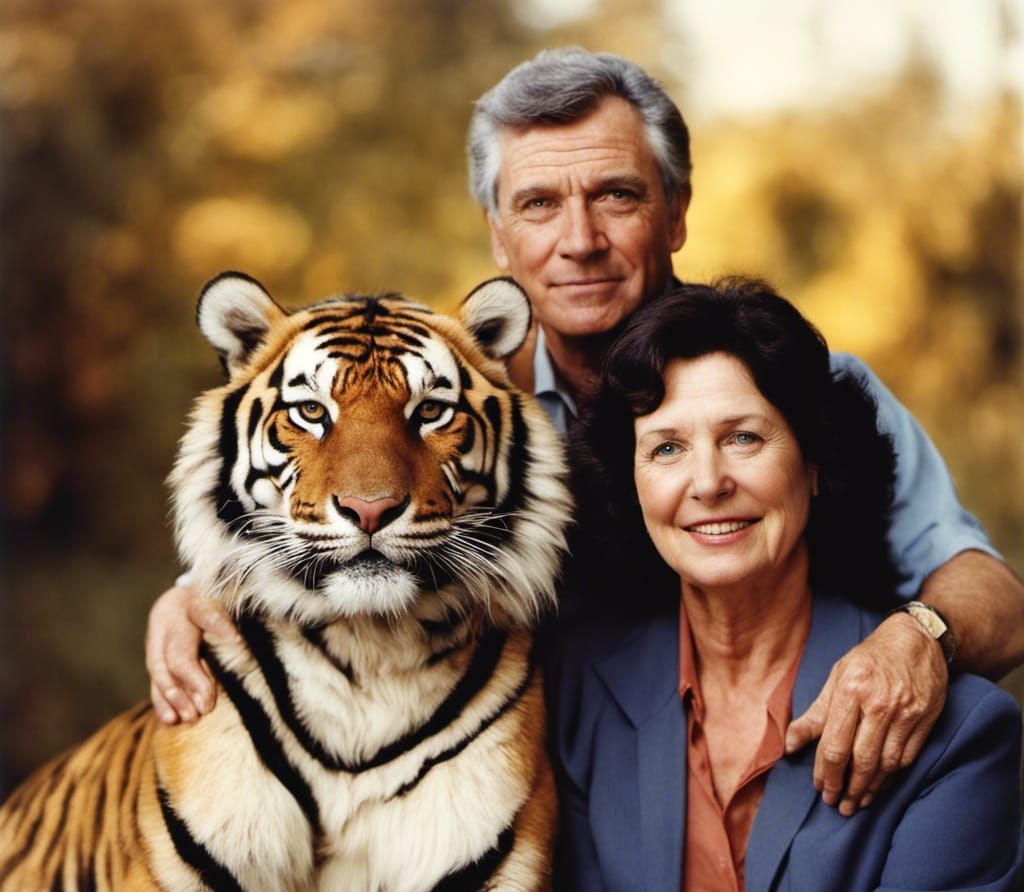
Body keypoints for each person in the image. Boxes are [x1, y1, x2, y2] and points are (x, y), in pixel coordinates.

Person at [146, 49, 1024, 815]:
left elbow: (999, 602)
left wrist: (920, 639)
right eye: (537, 204)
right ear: (497, 235)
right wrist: (196, 595)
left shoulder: (803, 388)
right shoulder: (461, 413)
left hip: (806, 803)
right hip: (529, 826)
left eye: (616, 195)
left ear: (676, 212)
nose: (580, 241)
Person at [554, 277, 1022, 892]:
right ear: (630, 485)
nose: (708, 483)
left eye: (744, 437)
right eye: (667, 448)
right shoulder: (584, 689)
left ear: (814, 462)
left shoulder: (960, 733)